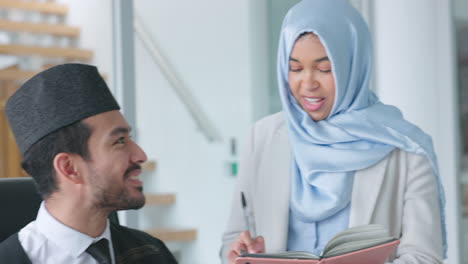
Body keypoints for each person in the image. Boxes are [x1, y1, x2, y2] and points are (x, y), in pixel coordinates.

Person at [221, 0, 445, 263]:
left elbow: (424, 257)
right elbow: (232, 240)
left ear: (353, 65)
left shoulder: (407, 149)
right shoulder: (262, 137)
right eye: (294, 68)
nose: (308, 83)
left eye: (325, 69)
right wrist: (239, 253)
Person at [0, 63, 178, 264]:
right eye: (119, 141)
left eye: (129, 138)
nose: (140, 155)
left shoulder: (151, 252)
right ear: (69, 168)